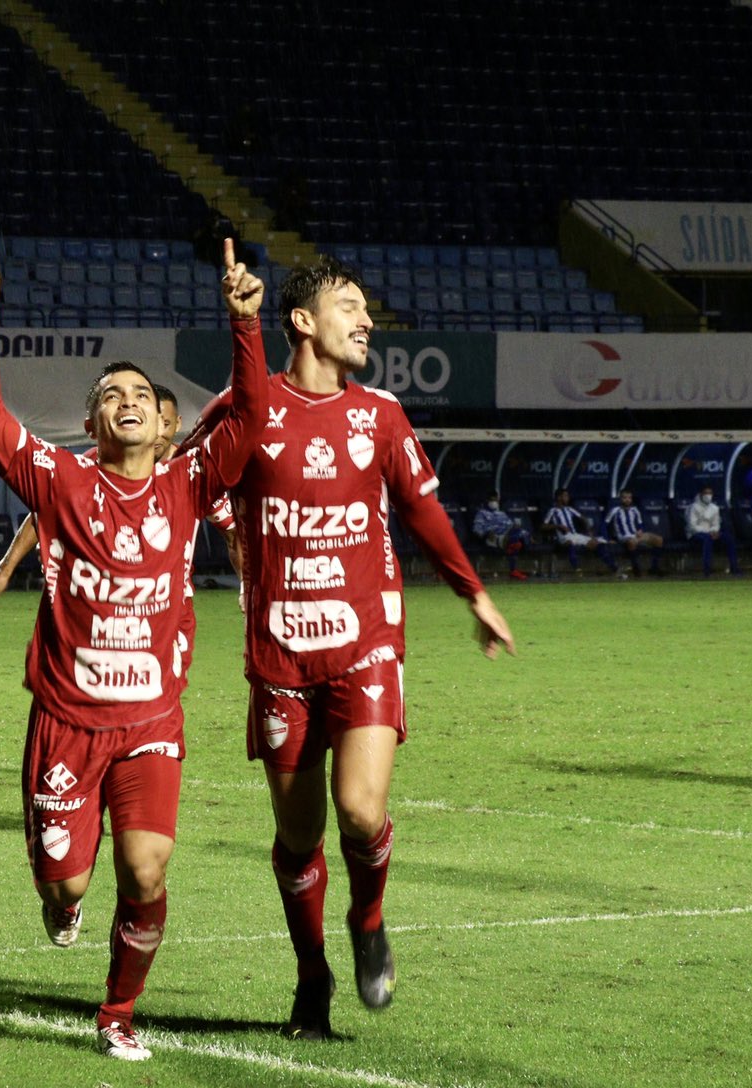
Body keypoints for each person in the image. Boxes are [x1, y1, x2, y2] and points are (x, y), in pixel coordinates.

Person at [183, 255, 514, 1042]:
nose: (367, 322)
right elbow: (183, 489)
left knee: (361, 814)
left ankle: (368, 919)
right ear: (303, 321)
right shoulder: (246, 406)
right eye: (350, 307)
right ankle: (311, 975)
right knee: (299, 837)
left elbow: (423, 512)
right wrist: (224, 531)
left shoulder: (381, 415)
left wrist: (474, 592)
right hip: (280, 654)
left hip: (366, 640)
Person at [0, 230, 266, 1061]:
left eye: (139, 392)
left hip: (151, 720)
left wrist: (245, 324)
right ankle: (61, 902)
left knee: (147, 871)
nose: (126, 400)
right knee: (68, 880)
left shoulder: (188, 482)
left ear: (164, 421)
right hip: (67, 719)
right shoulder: (62, 481)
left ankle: (118, 1014)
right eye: (110, 394)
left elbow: (252, 417)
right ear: (91, 420)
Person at [0, 386, 184, 610]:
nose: (157, 434)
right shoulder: (93, 464)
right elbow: (45, 509)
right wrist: (6, 568)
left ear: (175, 424)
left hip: (166, 601)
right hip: (100, 599)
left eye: (164, 424)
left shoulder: (190, 472)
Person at [541, 489, 617, 575]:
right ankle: (576, 569)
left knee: (596, 543)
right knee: (570, 543)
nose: (568, 498)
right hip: (563, 537)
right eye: (565, 496)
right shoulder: (552, 511)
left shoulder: (570, 509)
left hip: (574, 535)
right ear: (559, 497)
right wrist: (558, 526)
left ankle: (613, 567)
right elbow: (543, 526)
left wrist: (589, 531)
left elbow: (584, 518)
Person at [603, 490, 664, 577]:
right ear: (620, 499)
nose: (627, 500)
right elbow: (604, 524)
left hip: (635, 535)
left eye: (629, 498)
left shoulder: (635, 510)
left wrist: (640, 530)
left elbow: (640, 524)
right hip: (623, 536)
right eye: (625, 498)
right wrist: (607, 539)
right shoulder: (615, 510)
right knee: (632, 542)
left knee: (659, 540)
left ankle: (654, 567)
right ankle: (636, 568)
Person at [470, 495, 531, 582]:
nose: (494, 502)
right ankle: (513, 569)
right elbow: (476, 529)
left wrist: (515, 528)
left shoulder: (502, 514)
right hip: (492, 537)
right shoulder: (481, 513)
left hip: (506, 534)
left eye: (496, 500)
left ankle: (512, 545)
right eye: (492, 500)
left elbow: (510, 525)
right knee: (516, 542)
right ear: (487, 501)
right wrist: (486, 534)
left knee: (520, 533)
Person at [685, 486, 734, 576]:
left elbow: (716, 524)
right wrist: (708, 532)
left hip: (712, 533)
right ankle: (707, 571)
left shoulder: (715, 508)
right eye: (706, 493)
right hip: (695, 534)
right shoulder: (693, 507)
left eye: (710, 493)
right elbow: (692, 526)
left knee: (729, 538)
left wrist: (714, 531)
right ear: (701, 494)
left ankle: (734, 568)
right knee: (707, 539)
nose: (708, 495)